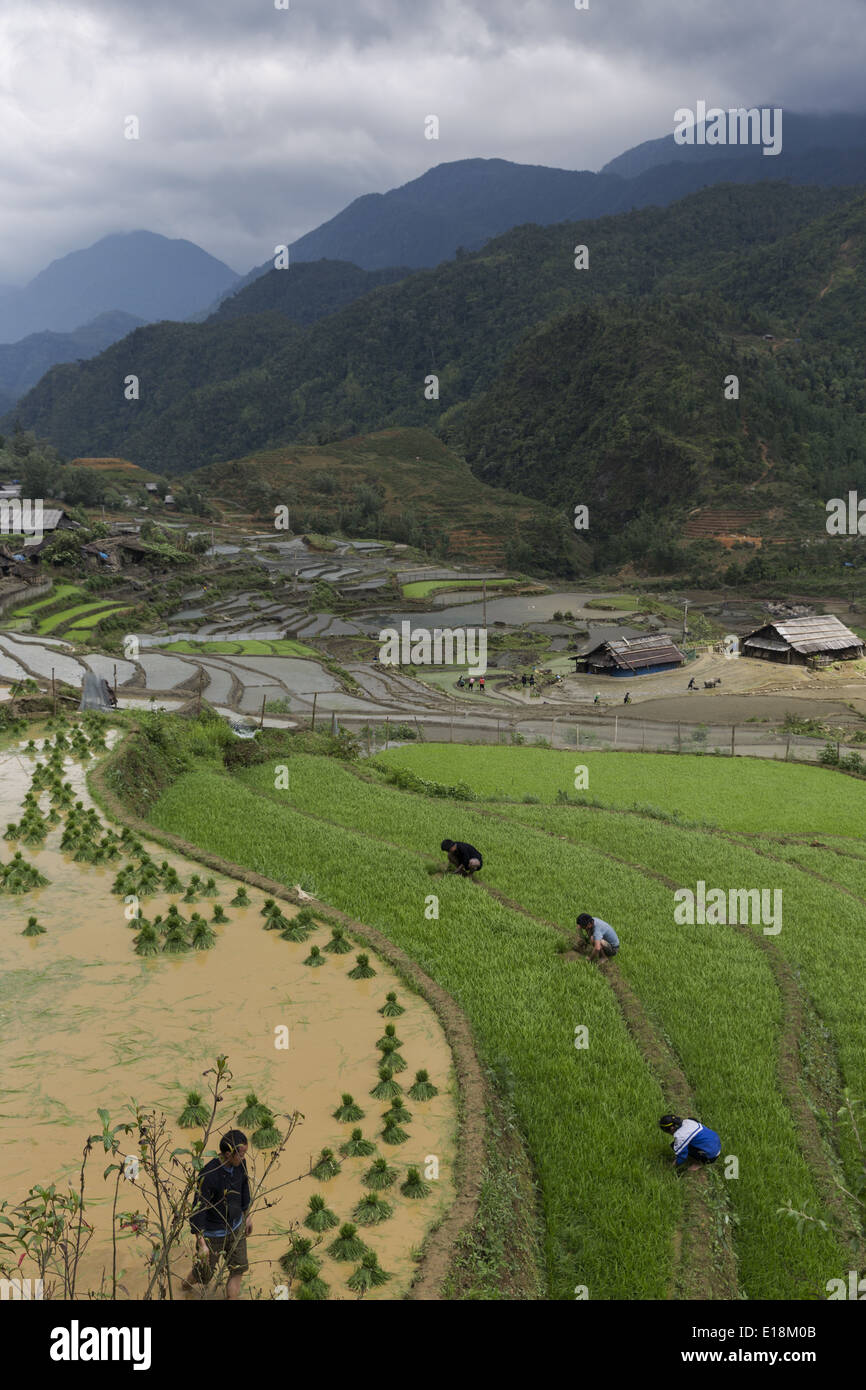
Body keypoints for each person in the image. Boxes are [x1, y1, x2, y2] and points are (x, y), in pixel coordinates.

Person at [183, 1129, 252, 1299]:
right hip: (212, 1235)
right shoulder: (208, 1175)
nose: (244, 1158)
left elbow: (244, 1190)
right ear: (228, 1154)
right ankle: (184, 1288)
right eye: (241, 1155)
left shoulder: (240, 1165)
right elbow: (198, 1210)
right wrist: (202, 1243)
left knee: (238, 1269)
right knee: (202, 1276)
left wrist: (247, 1215)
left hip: (235, 1228)